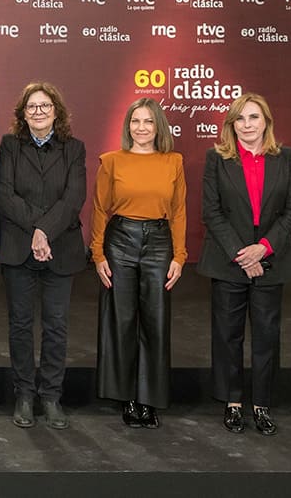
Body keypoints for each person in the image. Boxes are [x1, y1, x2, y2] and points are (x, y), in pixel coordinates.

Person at [197, 93, 291, 436]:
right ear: (231, 125)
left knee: (266, 336)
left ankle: (261, 404)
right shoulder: (216, 158)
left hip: (270, 258)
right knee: (227, 335)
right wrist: (243, 254)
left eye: (254, 117)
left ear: (266, 122)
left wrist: (264, 248)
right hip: (229, 260)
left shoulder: (285, 158)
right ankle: (232, 403)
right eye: (240, 118)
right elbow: (211, 212)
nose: (247, 125)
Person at [0, 82, 86, 430]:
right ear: (23, 114)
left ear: (56, 111)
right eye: (31, 106)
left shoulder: (74, 149)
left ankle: (50, 396)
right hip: (19, 248)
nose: (38, 112)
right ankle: (24, 394)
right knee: (20, 325)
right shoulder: (10, 145)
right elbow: (5, 195)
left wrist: (45, 231)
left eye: (45, 105)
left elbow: (73, 198)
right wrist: (37, 230)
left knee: (56, 325)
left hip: (61, 248)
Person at [90, 97, 186, 429]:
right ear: (127, 126)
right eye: (135, 121)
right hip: (120, 242)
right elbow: (99, 208)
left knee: (155, 321)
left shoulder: (173, 161)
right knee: (122, 320)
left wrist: (179, 255)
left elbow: (178, 211)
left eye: (148, 121)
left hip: (160, 243)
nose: (141, 128)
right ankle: (127, 398)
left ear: (158, 126)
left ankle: (149, 399)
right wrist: (98, 253)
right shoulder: (111, 161)